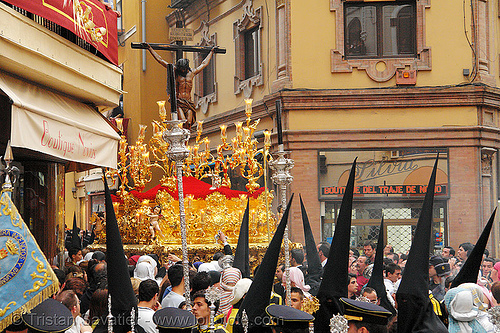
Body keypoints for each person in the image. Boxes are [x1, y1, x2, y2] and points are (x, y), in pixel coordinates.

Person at [145, 43, 216, 130]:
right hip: (179, 102)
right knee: (182, 121)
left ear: (187, 67)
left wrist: (211, 52)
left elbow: (204, 64)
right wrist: (150, 49)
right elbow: (160, 60)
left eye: (184, 69)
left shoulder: (192, 73)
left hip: (188, 102)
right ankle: (182, 141)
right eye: (181, 69)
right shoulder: (175, 72)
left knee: (189, 123)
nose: (182, 70)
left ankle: (186, 143)